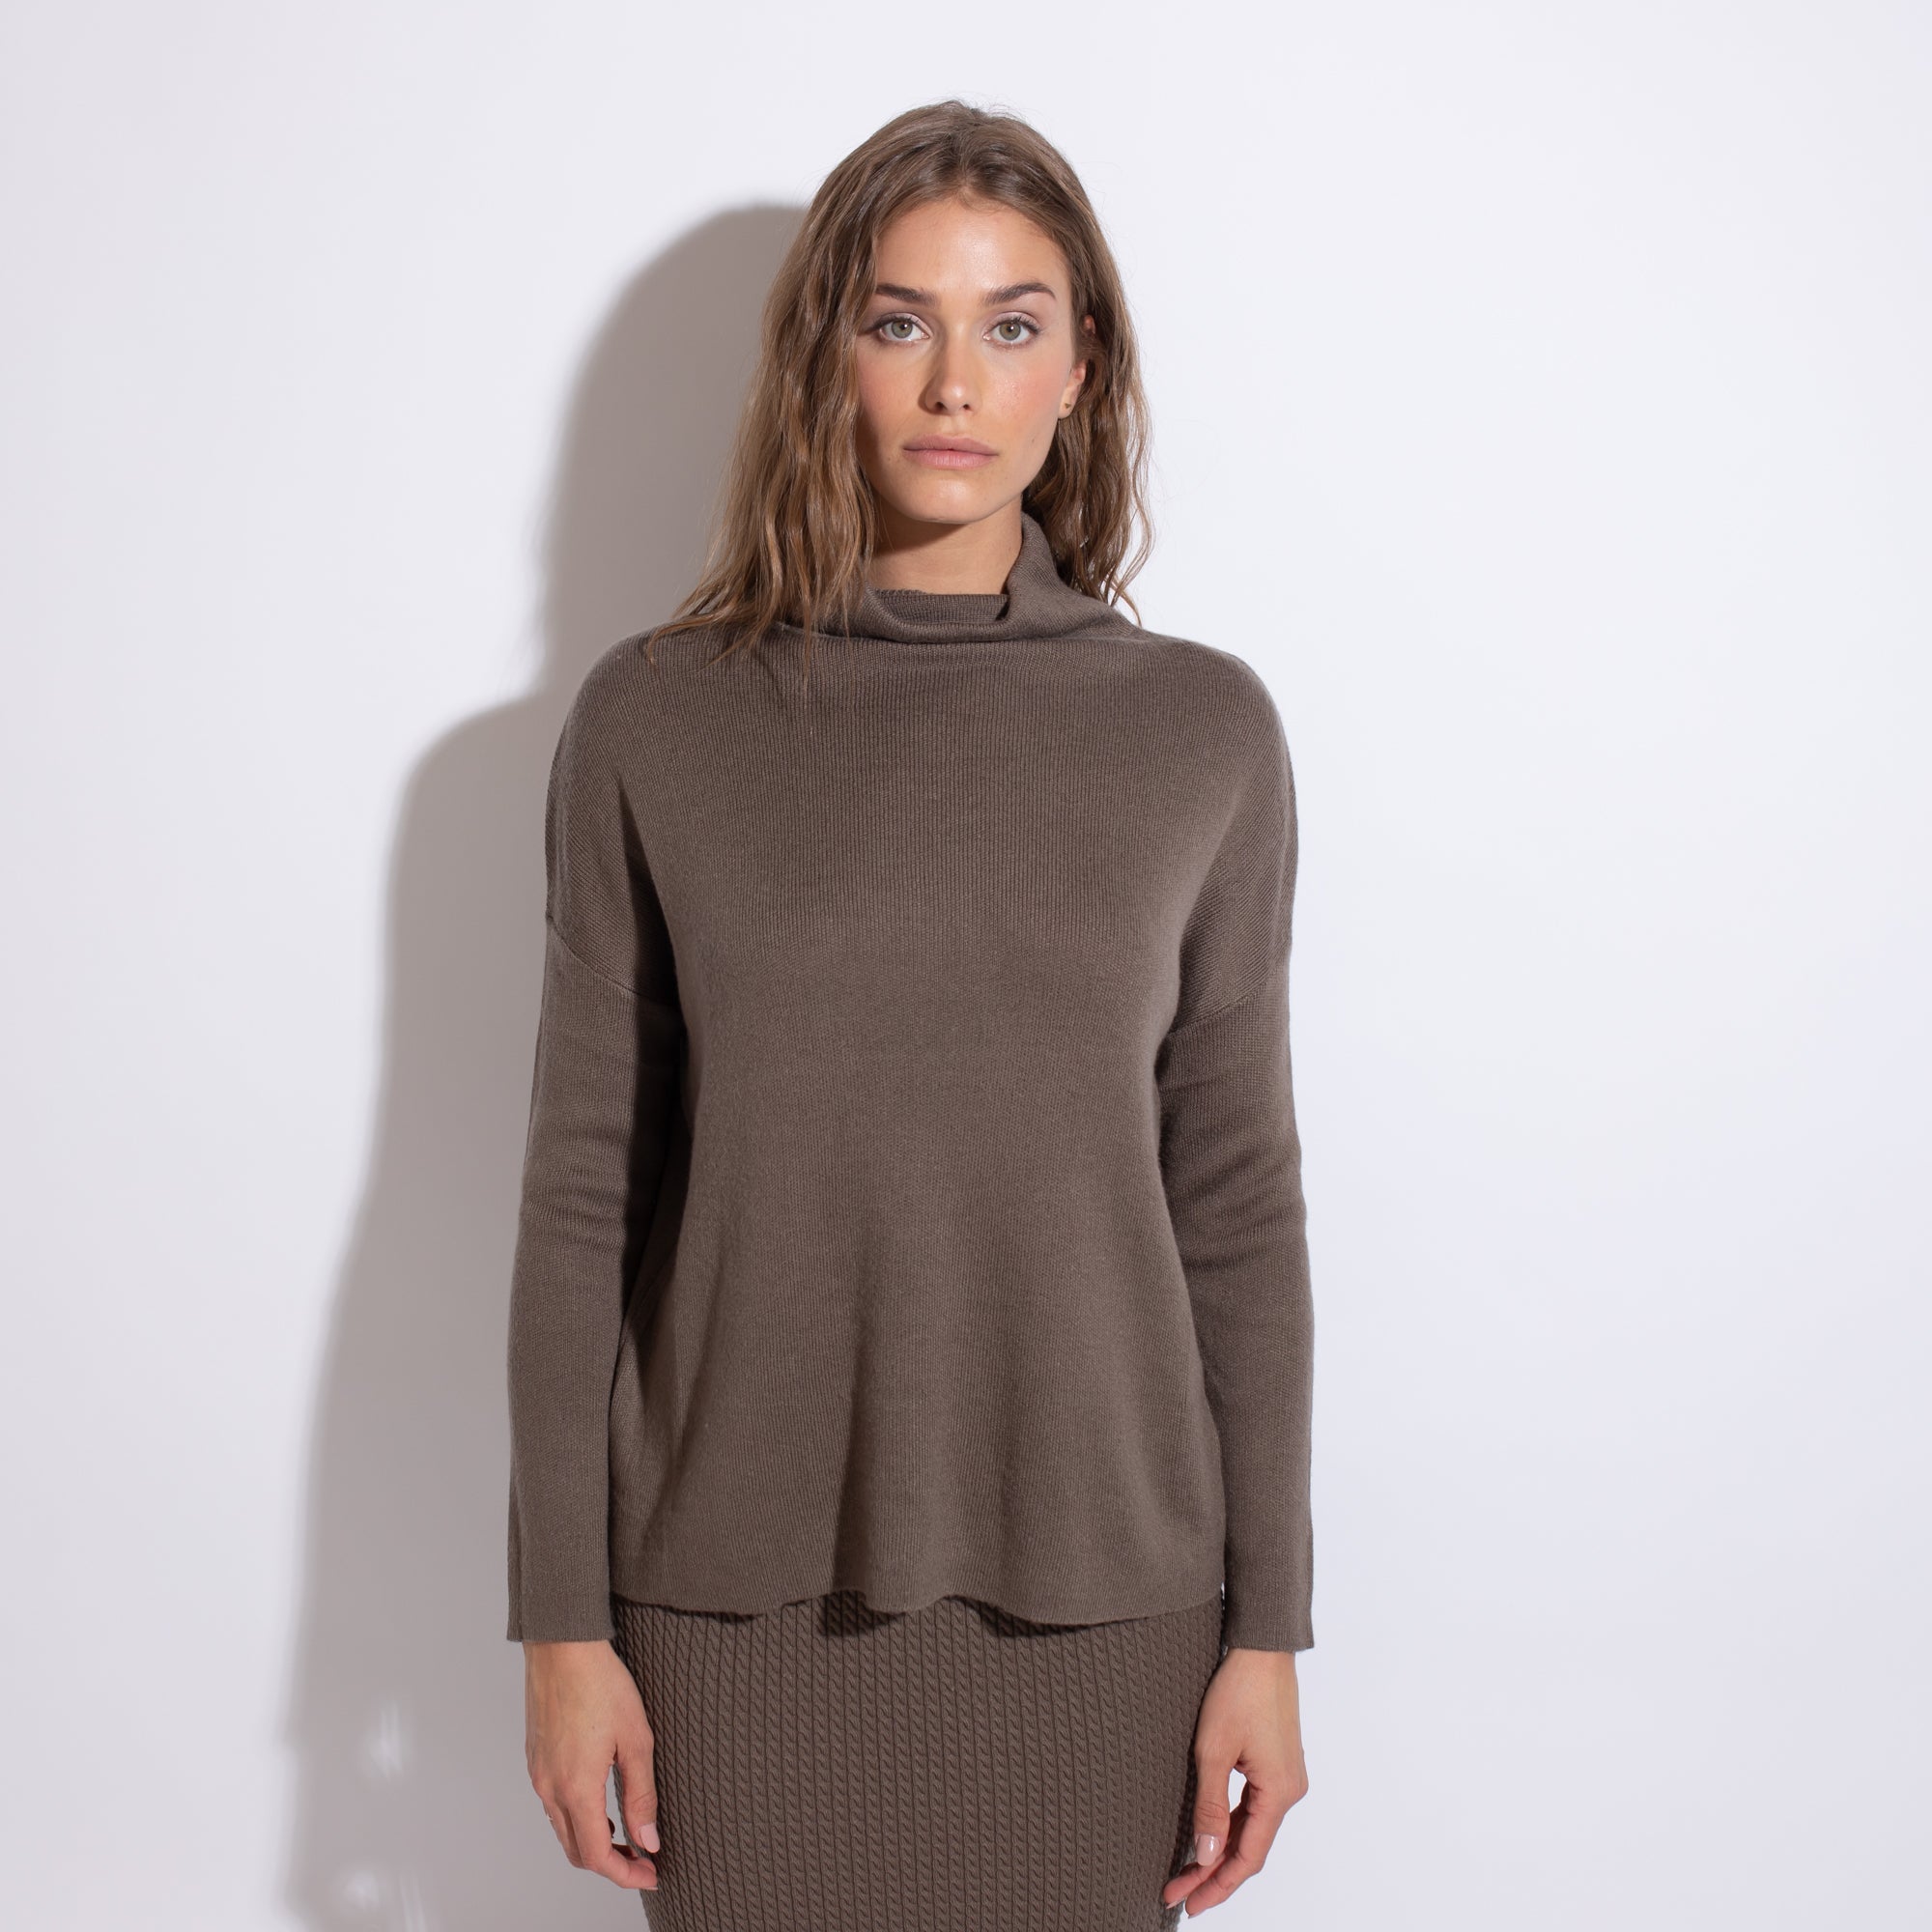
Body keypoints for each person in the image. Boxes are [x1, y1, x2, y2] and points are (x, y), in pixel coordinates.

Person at [506, 98, 1317, 1930]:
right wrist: (560, 1625)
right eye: (900, 321)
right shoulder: (658, 720)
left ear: (1080, 367)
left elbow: (1239, 1201)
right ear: (829, 355)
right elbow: (579, 1197)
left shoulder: (1200, 731)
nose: (956, 382)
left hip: (1110, 1611)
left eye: (1011, 324)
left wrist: (1269, 1630)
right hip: (727, 1612)